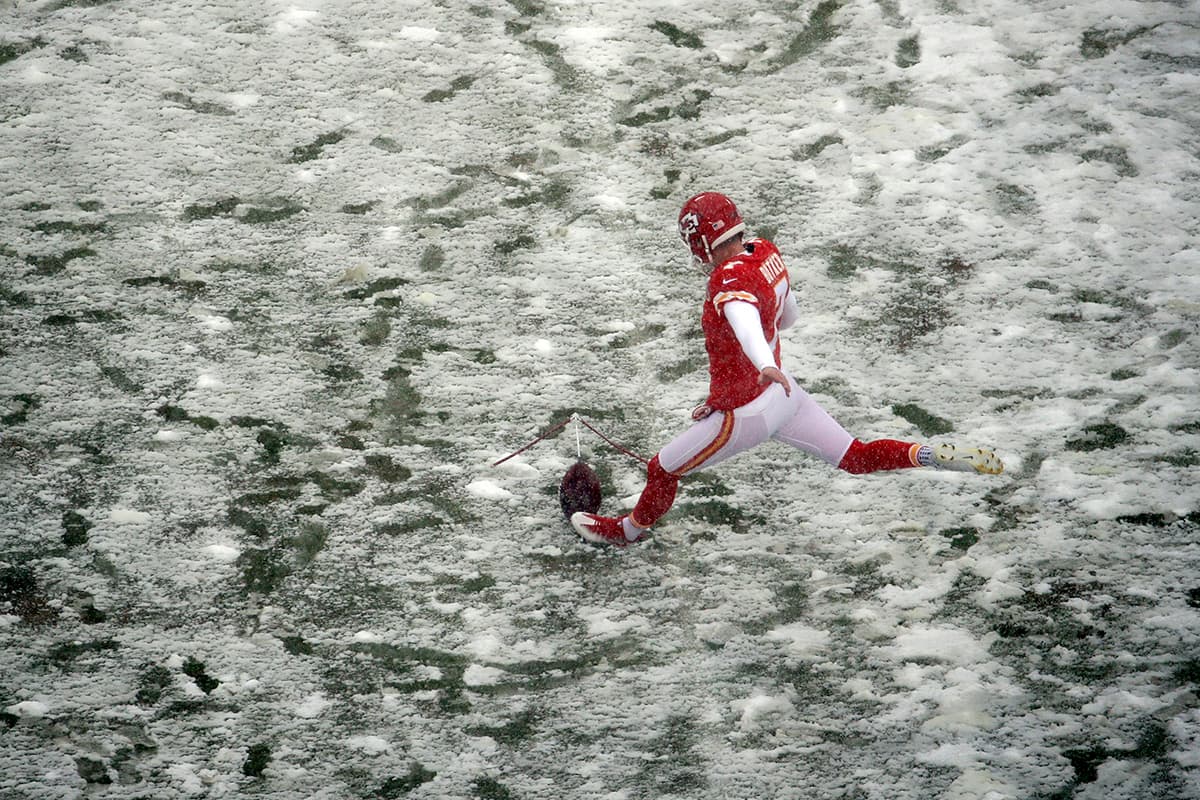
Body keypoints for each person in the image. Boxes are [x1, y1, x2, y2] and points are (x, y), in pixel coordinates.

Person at [571, 191, 1004, 547]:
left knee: (662, 470)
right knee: (854, 455)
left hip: (749, 411)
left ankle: (626, 532)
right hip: (785, 396)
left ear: (700, 241)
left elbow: (742, 320)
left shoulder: (727, 280)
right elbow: (788, 316)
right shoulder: (765, 254)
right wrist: (750, 374)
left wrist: (760, 364)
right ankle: (927, 454)